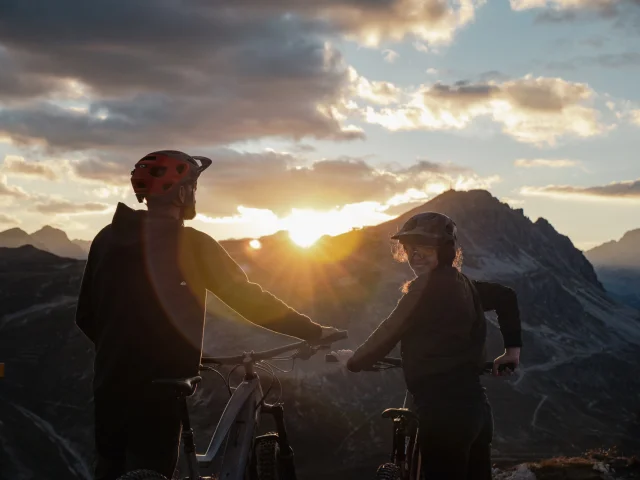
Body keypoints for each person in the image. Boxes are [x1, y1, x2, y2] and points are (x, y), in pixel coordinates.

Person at [75, 150, 340, 480]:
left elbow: (85, 314)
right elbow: (248, 299)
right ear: (182, 192)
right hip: (161, 388)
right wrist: (311, 331)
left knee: (111, 468)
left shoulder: (106, 238)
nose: (194, 195)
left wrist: (121, 350)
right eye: (193, 188)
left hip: (110, 382)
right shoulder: (194, 245)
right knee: (153, 468)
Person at [332, 212, 522, 480]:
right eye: (410, 249)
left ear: (445, 251)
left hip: (443, 414)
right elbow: (506, 296)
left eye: (425, 247)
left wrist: (352, 361)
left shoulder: (426, 287)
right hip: (476, 412)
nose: (415, 255)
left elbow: (390, 330)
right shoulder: (464, 283)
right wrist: (512, 351)